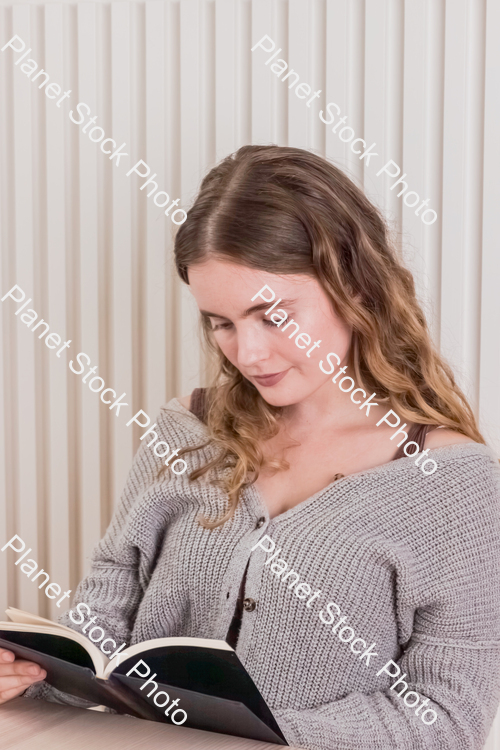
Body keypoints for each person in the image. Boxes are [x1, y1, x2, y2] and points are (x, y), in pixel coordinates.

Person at [1, 145, 500, 750]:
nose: (248, 353)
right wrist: (38, 678)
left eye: (274, 316)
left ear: (355, 287)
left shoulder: (451, 484)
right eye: (221, 322)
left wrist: (248, 730)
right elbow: (109, 606)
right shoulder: (187, 429)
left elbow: (450, 718)